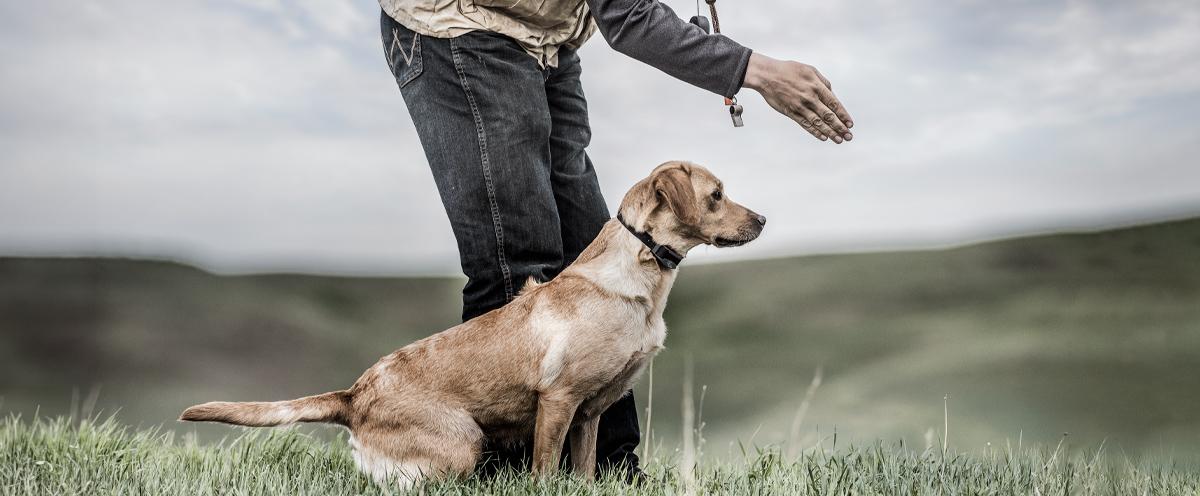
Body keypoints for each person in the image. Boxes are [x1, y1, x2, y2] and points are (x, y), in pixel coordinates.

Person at [377, 0, 854, 481]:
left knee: (596, 252)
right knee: (516, 258)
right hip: (459, 29)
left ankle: (611, 475)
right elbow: (629, 15)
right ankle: (512, 478)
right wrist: (756, 70)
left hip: (548, 40)